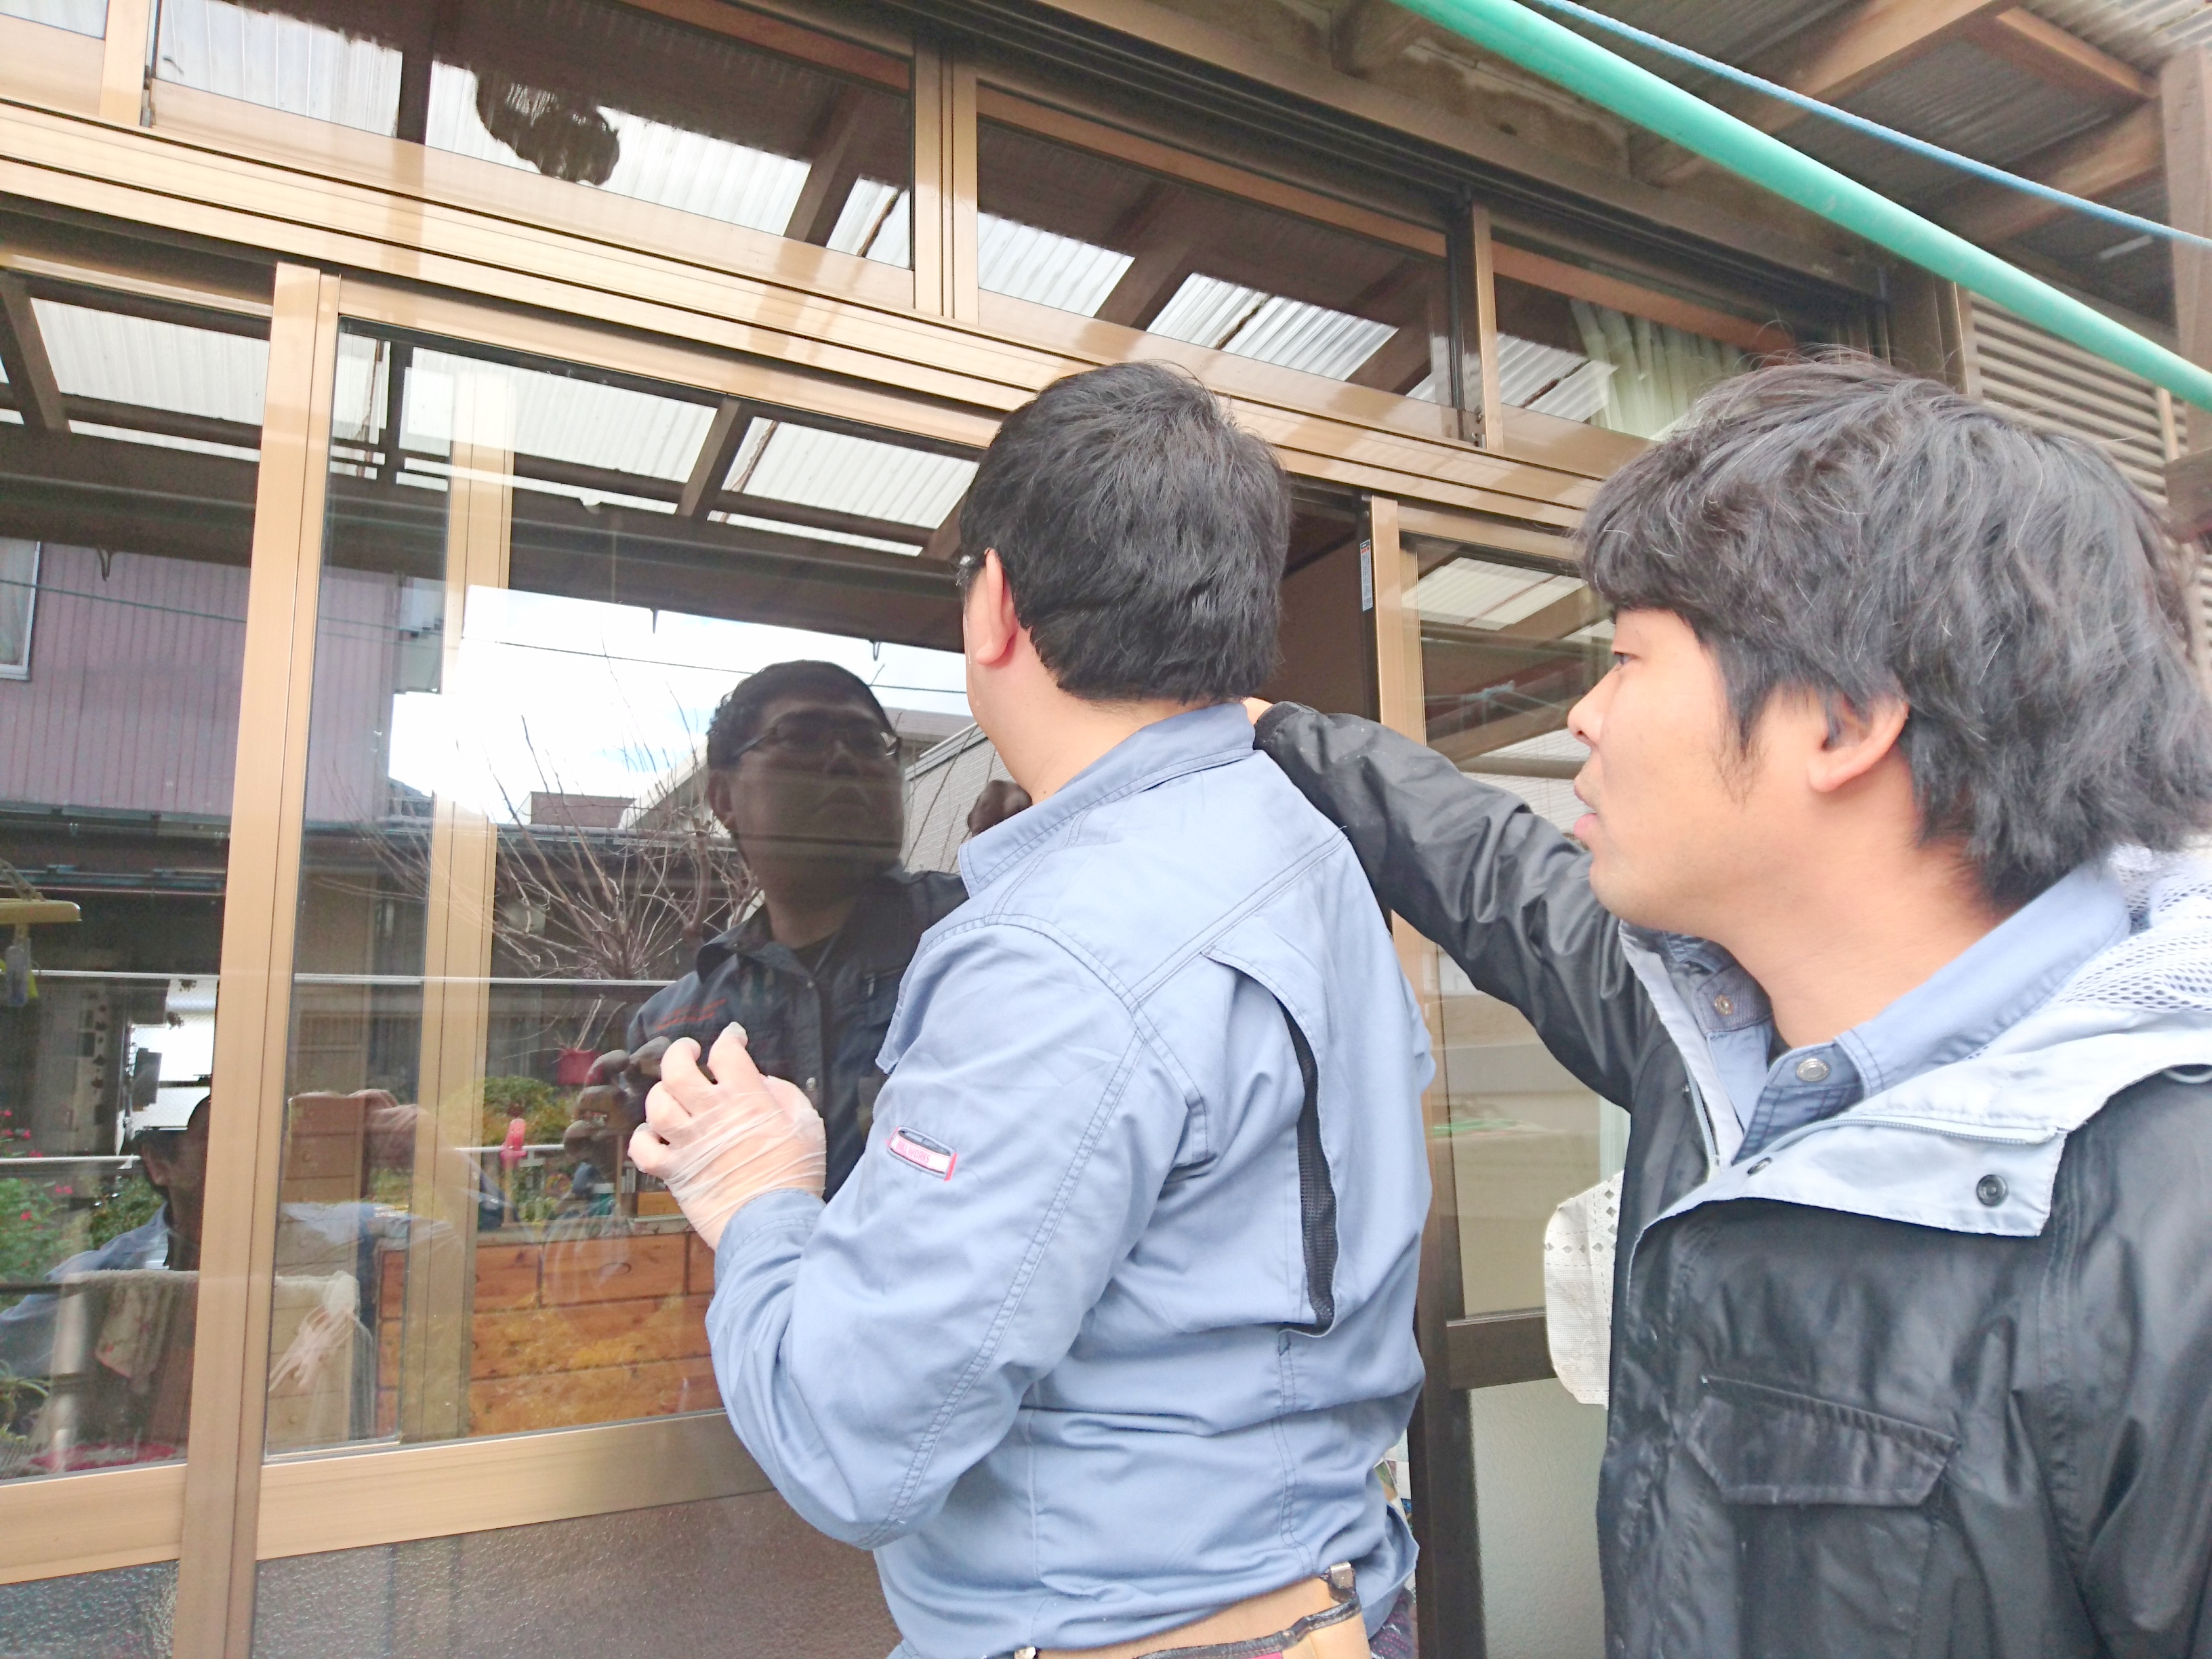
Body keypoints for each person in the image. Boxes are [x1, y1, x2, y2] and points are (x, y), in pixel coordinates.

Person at [1250, 358, 2212, 1659]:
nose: (1582, 714)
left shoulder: (2168, 1230)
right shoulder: (1717, 1049)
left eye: (1625, 659)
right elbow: (1491, 871)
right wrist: (1272, 729)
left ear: (1840, 721)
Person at [630, 362, 1431, 1659]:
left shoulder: (1057, 945)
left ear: (991, 602)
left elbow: (853, 1440)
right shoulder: (1305, 851)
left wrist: (759, 1193)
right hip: (1332, 1596)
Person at [590, 661, 1025, 1197]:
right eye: (801, 736)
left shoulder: (986, 929)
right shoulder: (676, 1028)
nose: (844, 758)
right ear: (723, 798)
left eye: (868, 742)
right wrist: (621, 1157)